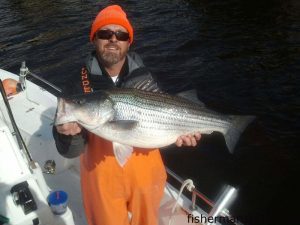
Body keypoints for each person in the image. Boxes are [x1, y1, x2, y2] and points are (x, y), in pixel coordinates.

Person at [53, 5, 201, 225]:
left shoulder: (143, 76)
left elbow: (164, 120)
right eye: (105, 33)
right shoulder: (77, 84)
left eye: (121, 35)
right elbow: (69, 151)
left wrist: (181, 132)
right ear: (94, 39)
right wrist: (67, 135)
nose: (113, 39)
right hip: (101, 177)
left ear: (128, 42)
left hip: (146, 173)